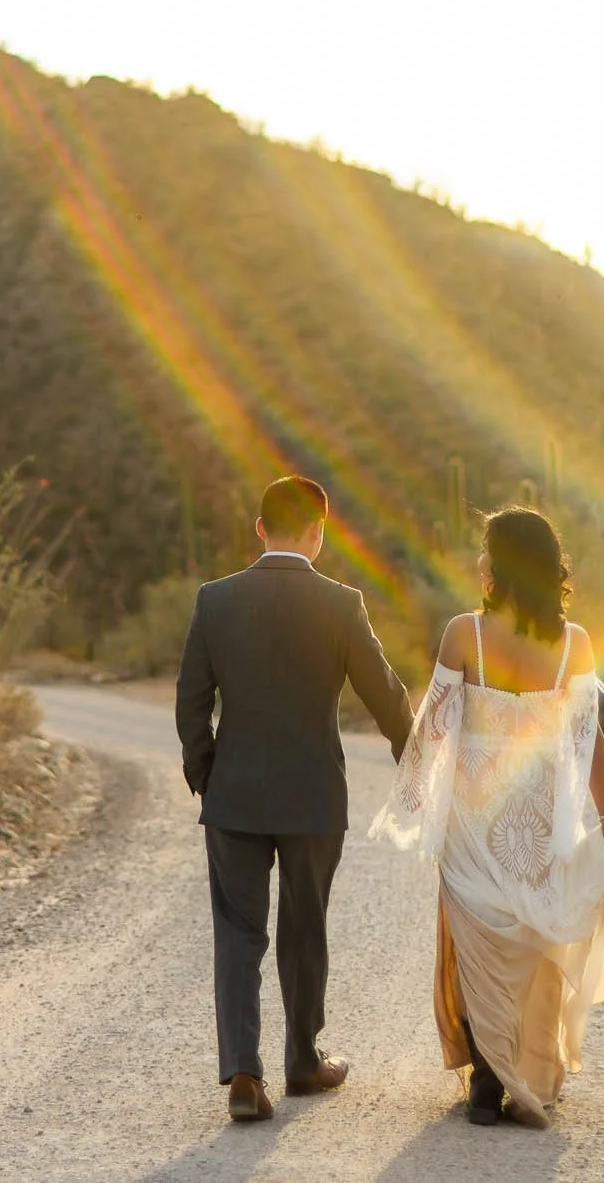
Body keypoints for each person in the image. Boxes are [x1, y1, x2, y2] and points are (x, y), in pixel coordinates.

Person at [371, 505, 604, 1128]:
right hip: (537, 821)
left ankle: (487, 1079)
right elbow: (589, 736)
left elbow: (434, 726)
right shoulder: (574, 644)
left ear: (499, 566)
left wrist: (415, 795)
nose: (478, 563)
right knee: (530, 940)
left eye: (485, 553)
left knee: (479, 941)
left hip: (474, 818)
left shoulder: (462, 634)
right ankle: (520, 1069)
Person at [175, 475, 415, 1122]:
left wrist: (207, 776)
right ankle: (304, 1062)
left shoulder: (214, 599)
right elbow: (384, 690)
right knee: (304, 930)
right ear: (320, 531)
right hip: (314, 796)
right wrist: (412, 757)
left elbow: (191, 701)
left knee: (237, 931)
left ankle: (244, 1074)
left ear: (259, 529)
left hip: (235, 797)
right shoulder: (341, 602)